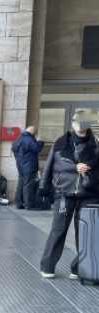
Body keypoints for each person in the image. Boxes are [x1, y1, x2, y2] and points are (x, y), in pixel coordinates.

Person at [39, 112, 99, 279]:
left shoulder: (96, 145)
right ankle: (47, 266)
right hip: (64, 192)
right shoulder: (61, 143)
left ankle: (79, 267)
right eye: (77, 121)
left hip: (89, 194)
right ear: (72, 124)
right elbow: (50, 166)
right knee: (58, 230)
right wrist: (44, 187)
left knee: (86, 233)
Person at [12, 125, 45, 210]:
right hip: (29, 165)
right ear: (33, 132)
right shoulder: (29, 139)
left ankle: (18, 203)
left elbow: (13, 149)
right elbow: (37, 148)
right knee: (28, 184)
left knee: (21, 183)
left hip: (20, 165)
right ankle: (28, 204)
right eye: (35, 133)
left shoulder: (18, 139)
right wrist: (40, 141)